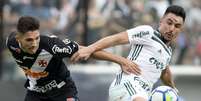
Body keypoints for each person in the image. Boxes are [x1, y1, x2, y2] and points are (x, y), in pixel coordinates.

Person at [6, 16, 141, 101]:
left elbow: (87, 50)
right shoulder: (11, 43)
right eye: (29, 40)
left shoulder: (52, 46)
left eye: (37, 38)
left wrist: (121, 61)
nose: (34, 43)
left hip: (62, 91)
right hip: (35, 93)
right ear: (18, 39)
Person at [71, 5, 186, 101]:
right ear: (161, 21)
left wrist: (173, 89)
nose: (171, 29)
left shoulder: (168, 52)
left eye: (177, 26)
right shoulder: (148, 33)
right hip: (127, 85)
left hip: (142, 93)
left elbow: (164, 71)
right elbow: (115, 39)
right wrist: (90, 48)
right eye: (169, 23)